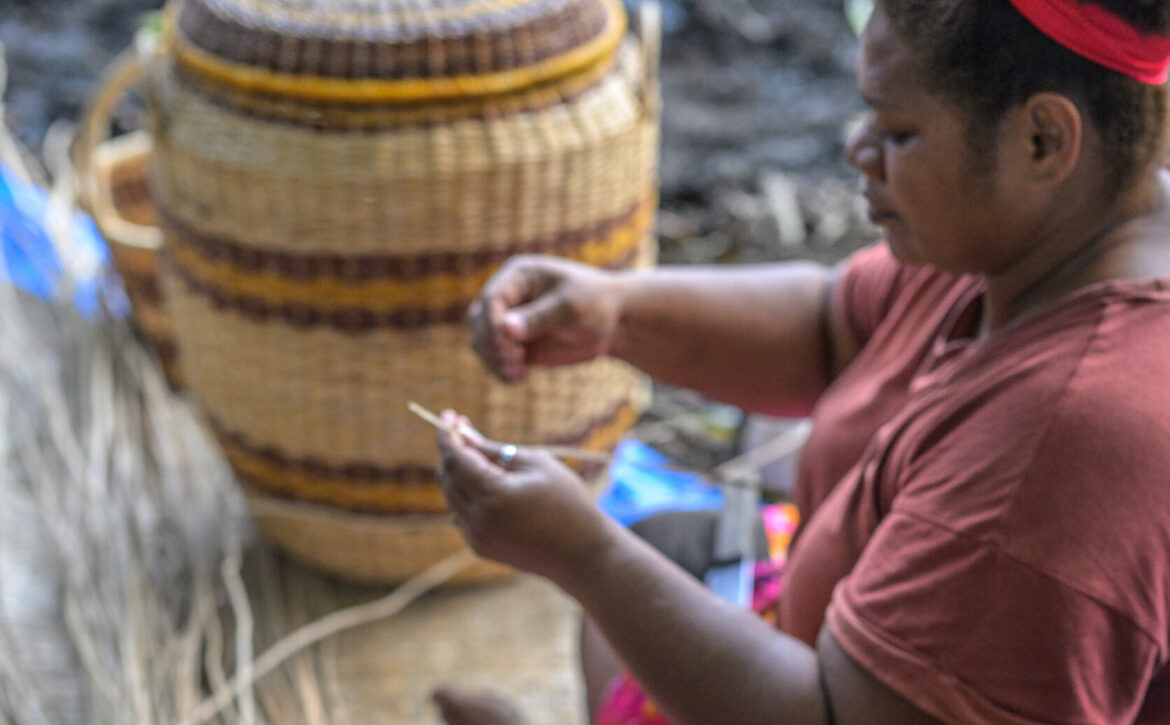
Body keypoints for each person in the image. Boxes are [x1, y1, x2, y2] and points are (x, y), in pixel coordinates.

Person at [431, 0, 1170, 722]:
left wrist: (583, 553)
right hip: (821, 635)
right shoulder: (1047, 228)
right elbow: (832, 326)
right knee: (663, 552)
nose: (859, 150)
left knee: (629, 578)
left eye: (900, 131)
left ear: (1043, 139)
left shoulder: (1065, 447)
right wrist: (613, 310)